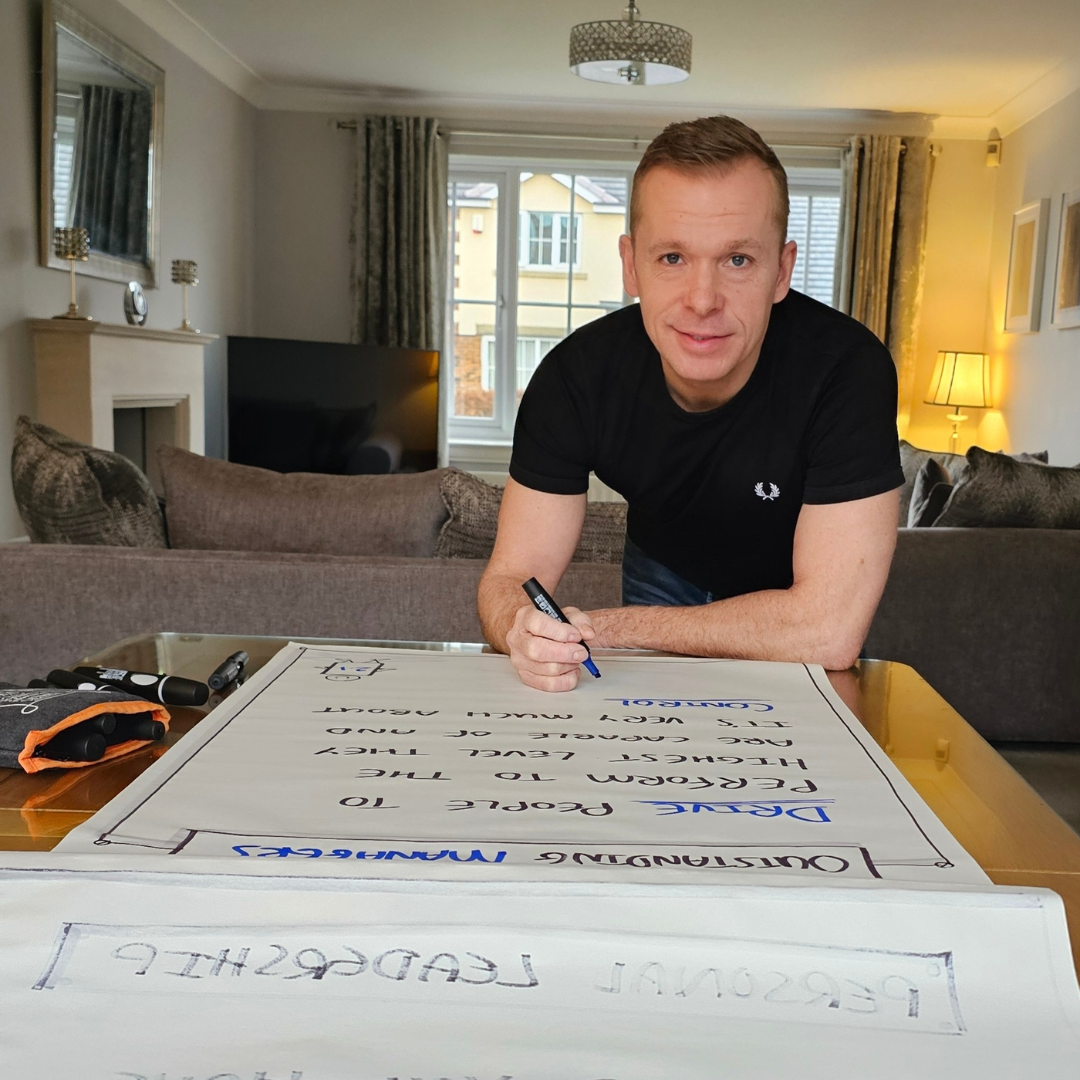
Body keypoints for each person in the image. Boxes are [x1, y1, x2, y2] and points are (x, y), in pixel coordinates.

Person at [477, 115, 904, 692]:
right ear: (631, 264)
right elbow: (509, 576)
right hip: (663, 566)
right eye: (672, 258)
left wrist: (603, 630)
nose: (703, 301)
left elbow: (827, 630)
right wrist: (522, 630)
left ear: (782, 271)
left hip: (794, 596)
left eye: (738, 260)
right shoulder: (573, 377)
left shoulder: (848, 370)